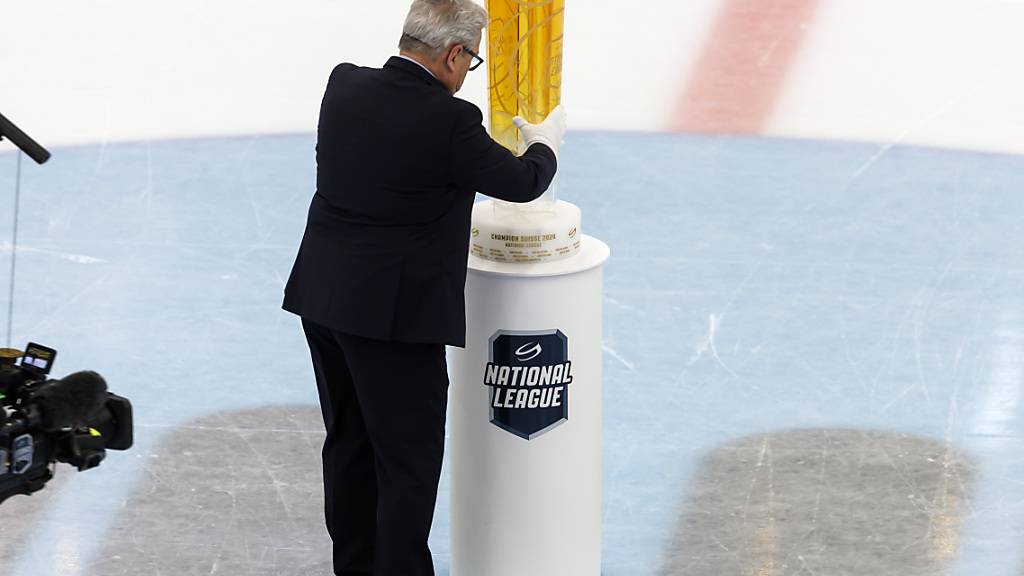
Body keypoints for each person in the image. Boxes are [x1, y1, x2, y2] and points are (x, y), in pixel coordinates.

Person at [281, 0, 567, 574]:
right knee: (407, 468)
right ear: (453, 55)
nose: (466, 78)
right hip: (393, 323)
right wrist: (545, 144)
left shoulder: (344, 86)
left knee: (349, 445)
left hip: (326, 301)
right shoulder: (448, 122)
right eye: (472, 64)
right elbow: (520, 181)